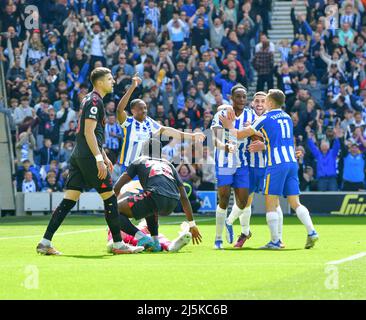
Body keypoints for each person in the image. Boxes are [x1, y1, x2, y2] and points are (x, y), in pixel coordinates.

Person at [36, 67, 144, 255]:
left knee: (69, 200)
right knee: (110, 198)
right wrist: (98, 159)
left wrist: (104, 154)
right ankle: (119, 244)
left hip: (79, 156)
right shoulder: (95, 101)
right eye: (110, 79)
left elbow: (93, 133)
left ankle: (45, 241)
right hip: (88, 157)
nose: (113, 82)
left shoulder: (88, 99)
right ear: (100, 82)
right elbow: (88, 132)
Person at [219, 89, 319, 249]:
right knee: (295, 202)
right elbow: (280, 139)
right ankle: (312, 231)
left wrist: (228, 125)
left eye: (265, 100)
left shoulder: (265, 118)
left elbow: (238, 135)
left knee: (271, 203)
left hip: (276, 164)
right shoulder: (287, 117)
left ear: (271, 103)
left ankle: (275, 241)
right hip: (291, 162)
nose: (263, 103)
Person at [112, 139, 202, 252]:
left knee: (114, 209)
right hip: (173, 201)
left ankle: (142, 237)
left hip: (154, 195)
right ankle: (155, 242)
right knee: (149, 207)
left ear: (143, 150)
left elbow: (117, 187)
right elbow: (183, 196)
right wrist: (192, 224)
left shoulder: (140, 160)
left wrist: (109, 207)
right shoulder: (168, 164)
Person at [222, 91, 285, 248]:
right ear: (252, 103)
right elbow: (235, 133)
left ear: (268, 103)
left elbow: (280, 140)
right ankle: (244, 233)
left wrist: (262, 144)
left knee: (275, 204)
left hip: (270, 166)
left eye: (263, 101)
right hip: (249, 166)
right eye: (256, 100)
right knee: (245, 203)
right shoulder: (246, 117)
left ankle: (278, 238)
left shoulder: (274, 118)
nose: (259, 103)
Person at [114, 74, 205, 176]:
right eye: (140, 108)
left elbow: (169, 131)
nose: (144, 111)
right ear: (133, 110)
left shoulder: (149, 122)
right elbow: (119, 110)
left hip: (144, 168)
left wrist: (192, 136)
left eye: (145, 108)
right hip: (128, 167)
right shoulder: (128, 122)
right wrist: (132, 87)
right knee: (127, 191)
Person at [211, 84, 254, 249]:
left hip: (242, 163)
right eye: (238, 96)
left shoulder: (250, 115)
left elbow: (259, 133)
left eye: (244, 97)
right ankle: (218, 239)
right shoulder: (221, 114)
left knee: (243, 202)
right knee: (223, 199)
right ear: (232, 98)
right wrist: (225, 146)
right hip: (224, 162)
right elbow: (214, 137)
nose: (242, 100)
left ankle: (229, 223)